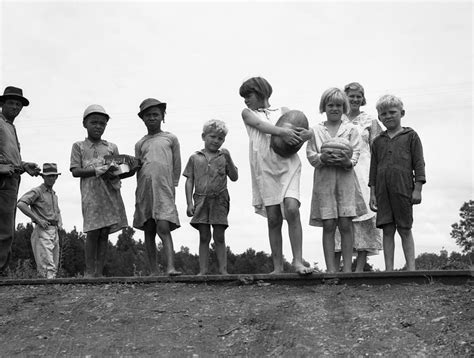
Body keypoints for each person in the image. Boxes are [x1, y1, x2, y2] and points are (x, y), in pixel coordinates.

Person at [239, 77, 313, 275]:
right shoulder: (248, 113)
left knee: (291, 209)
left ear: (261, 92)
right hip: (265, 168)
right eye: (244, 97)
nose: (246, 100)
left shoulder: (284, 111)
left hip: (288, 165)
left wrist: (307, 135)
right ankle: (278, 267)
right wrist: (283, 132)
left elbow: (302, 131)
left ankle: (298, 261)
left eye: (249, 95)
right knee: (273, 218)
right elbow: (261, 126)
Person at [306, 87, 367, 273]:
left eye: (339, 105)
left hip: (346, 181)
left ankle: (347, 270)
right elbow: (310, 154)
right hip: (324, 182)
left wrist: (347, 161)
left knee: (346, 224)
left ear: (344, 107)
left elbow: (356, 152)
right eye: (330, 105)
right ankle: (331, 270)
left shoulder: (351, 130)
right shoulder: (315, 131)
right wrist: (321, 158)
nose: (334, 108)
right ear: (324, 107)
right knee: (329, 224)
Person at [70, 104, 129, 278]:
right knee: (93, 230)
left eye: (102, 123)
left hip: (109, 192)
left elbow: (120, 170)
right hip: (91, 193)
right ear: (85, 124)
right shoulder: (79, 146)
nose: (98, 126)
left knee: (104, 231)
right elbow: (75, 171)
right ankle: (88, 271)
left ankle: (99, 272)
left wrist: (122, 169)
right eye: (94, 122)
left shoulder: (111, 147)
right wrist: (96, 170)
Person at [369, 94, 425, 271]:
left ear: (402, 113)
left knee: (405, 228)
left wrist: (418, 189)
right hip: (382, 192)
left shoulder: (411, 136)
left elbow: (419, 163)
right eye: (384, 114)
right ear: (379, 117)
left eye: (392, 112)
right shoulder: (377, 141)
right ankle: (389, 270)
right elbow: (373, 169)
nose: (388, 116)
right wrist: (372, 194)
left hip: (403, 189)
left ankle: (411, 269)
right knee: (387, 229)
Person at [334, 82, 383, 272]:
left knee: (365, 219)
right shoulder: (338, 118)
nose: (355, 99)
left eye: (358, 96)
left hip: (365, 173)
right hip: (342, 172)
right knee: (339, 219)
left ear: (363, 99)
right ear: (344, 97)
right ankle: (336, 268)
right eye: (351, 96)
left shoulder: (370, 121)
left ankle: (359, 269)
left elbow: (378, 149)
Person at [133, 98, 182, 276]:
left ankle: (170, 267)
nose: (152, 118)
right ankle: (153, 271)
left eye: (155, 114)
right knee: (149, 229)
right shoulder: (140, 143)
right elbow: (137, 167)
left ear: (162, 116)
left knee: (163, 226)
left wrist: (173, 184)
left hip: (164, 189)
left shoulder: (171, 139)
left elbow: (177, 165)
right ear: (143, 119)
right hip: (145, 190)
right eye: (148, 115)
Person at [183, 119, 238, 275]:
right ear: (203, 136)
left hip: (220, 200)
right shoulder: (195, 157)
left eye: (220, 138)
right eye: (212, 136)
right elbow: (189, 180)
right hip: (200, 200)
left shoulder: (224, 156)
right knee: (204, 236)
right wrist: (189, 203)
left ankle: (223, 271)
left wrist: (229, 158)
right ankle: (203, 271)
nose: (216, 141)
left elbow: (234, 177)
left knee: (219, 235)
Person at [0, 86, 40, 273]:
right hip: (3, 181)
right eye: (11, 103)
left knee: (7, 229)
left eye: (18, 104)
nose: (15, 107)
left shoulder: (10, 126)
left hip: (11, 181)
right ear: (2, 104)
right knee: (3, 229)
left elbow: (8, 157)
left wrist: (23, 165)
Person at [17, 163, 62, 279]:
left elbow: (57, 211)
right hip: (43, 230)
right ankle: (48, 292)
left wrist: (60, 223)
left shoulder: (53, 194)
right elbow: (21, 204)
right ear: (43, 177)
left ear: (56, 177)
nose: (51, 178)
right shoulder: (37, 191)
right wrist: (37, 219)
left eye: (53, 176)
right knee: (47, 267)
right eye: (48, 176)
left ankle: (49, 292)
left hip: (54, 230)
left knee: (53, 266)